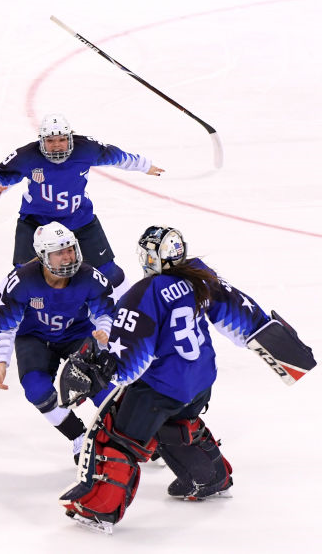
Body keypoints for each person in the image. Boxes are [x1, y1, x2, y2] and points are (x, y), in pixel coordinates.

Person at [57, 225, 308, 533]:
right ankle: (210, 478)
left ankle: (99, 510)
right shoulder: (198, 276)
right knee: (174, 423)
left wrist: (101, 368)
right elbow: (240, 312)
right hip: (201, 380)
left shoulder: (144, 293)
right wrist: (275, 341)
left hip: (162, 387)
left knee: (118, 436)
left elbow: (130, 363)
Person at [0, 113, 163, 343]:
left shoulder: (86, 148)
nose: (56, 146)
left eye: (61, 140)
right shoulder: (27, 156)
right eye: (50, 141)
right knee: (22, 273)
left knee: (109, 270)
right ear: (41, 141)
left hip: (79, 221)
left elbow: (117, 156)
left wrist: (145, 166)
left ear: (71, 139)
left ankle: (137, 311)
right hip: (37, 223)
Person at [0, 223, 115, 461]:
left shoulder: (90, 277)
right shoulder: (21, 281)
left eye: (70, 249)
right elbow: (6, 327)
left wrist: (104, 332)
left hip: (76, 333)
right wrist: (2, 361)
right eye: (59, 252)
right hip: (35, 338)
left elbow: (106, 313)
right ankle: (79, 437)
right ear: (42, 256)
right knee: (36, 389)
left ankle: (129, 436)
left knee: (102, 388)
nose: (68, 257)